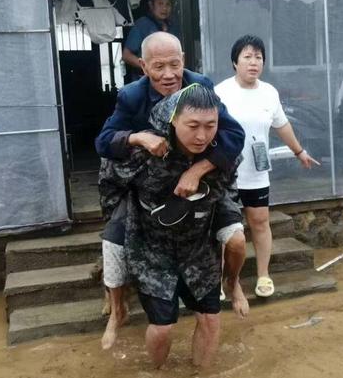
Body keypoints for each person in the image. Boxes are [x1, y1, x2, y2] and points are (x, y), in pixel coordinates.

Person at [95, 32, 249, 351]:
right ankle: (117, 309)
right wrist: (137, 138)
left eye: (175, 65)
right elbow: (104, 142)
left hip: (203, 178)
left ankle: (233, 284)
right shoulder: (132, 96)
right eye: (159, 67)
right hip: (148, 178)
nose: (169, 75)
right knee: (113, 240)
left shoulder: (199, 86)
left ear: (184, 61)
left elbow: (234, 135)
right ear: (143, 66)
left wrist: (198, 169)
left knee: (235, 238)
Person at [216, 35, 319, 298]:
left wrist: (299, 151)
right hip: (226, 173)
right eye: (247, 57)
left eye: (258, 57)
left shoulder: (269, 93)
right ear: (235, 62)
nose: (254, 62)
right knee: (223, 227)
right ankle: (218, 281)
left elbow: (282, 125)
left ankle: (263, 275)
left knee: (260, 222)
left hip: (256, 171)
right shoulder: (220, 92)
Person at [122, 0, 180, 80]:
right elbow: (126, 55)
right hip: (145, 80)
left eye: (168, 4)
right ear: (151, 5)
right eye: (160, 4)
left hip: (168, 78)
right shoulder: (142, 25)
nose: (164, 8)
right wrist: (149, 68)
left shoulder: (172, 26)